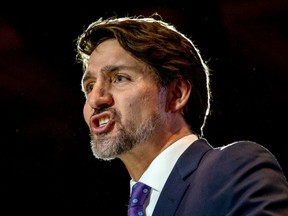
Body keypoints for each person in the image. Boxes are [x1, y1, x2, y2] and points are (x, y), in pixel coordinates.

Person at [75, 13, 288, 215]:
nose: (95, 99)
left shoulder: (232, 169)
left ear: (177, 94)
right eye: (90, 86)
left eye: (119, 78)